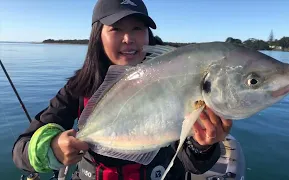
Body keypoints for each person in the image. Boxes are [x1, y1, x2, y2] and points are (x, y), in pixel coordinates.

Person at [12, 0, 233, 179]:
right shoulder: (78, 88)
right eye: (116, 29)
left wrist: (202, 145)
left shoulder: (174, 81)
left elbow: (193, 165)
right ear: (98, 36)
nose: (128, 39)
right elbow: (21, 150)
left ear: (148, 34)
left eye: (137, 28)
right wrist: (51, 148)